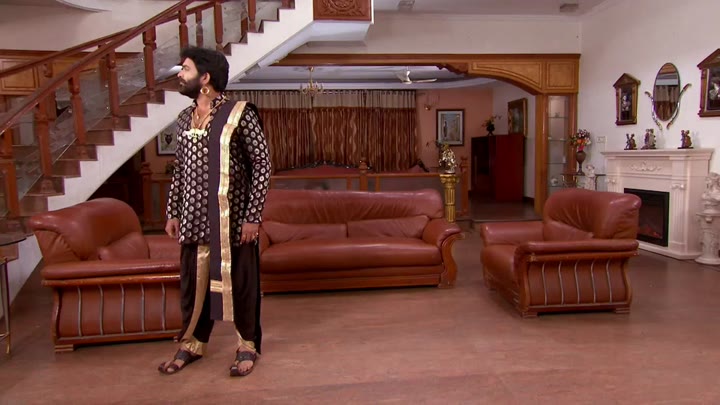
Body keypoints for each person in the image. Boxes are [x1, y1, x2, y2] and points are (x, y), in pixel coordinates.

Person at [158, 46, 271, 377]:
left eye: (186, 69)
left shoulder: (240, 113)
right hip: (193, 220)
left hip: (232, 221)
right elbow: (180, 169)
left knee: (241, 284)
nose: (180, 74)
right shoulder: (184, 118)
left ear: (205, 78)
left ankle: (247, 345)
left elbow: (262, 165)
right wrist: (173, 211)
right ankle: (191, 343)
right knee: (192, 286)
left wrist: (252, 217)